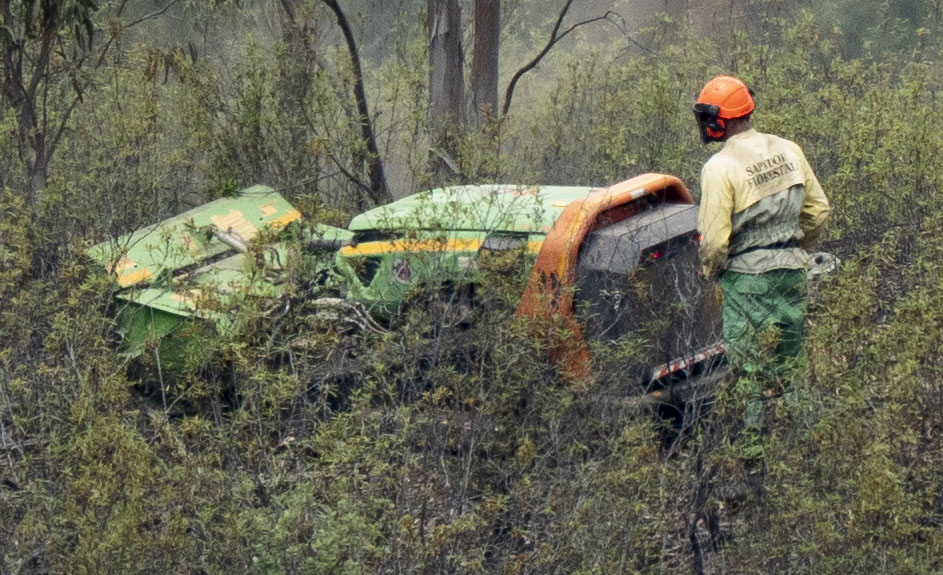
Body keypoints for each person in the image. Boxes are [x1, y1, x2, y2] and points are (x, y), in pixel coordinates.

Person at [693, 75, 831, 447]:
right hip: (792, 271)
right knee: (792, 367)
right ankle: (811, 453)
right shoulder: (789, 149)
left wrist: (711, 273)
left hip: (746, 280)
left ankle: (752, 460)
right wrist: (793, 248)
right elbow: (817, 211)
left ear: (718, 120)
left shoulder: (719, 168)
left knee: (749, 374)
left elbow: (716, 243)